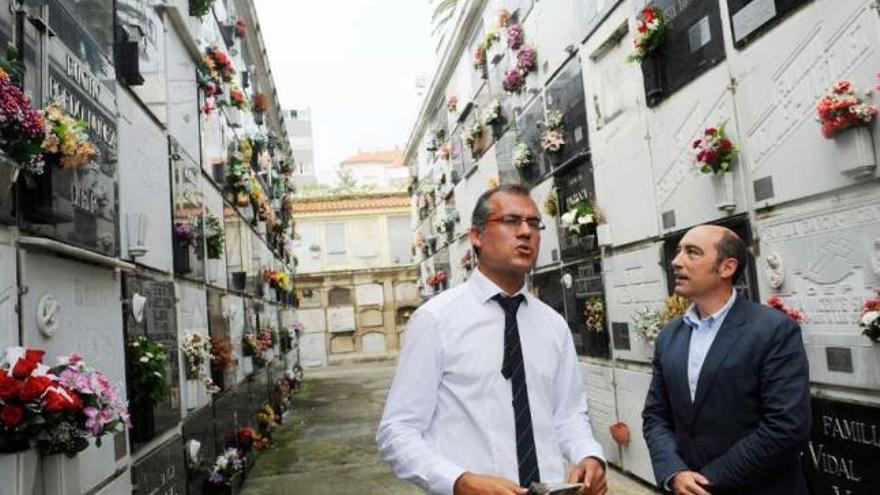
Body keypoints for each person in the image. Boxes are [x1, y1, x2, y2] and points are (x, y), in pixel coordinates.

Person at [377, 185, 607, 495]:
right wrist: (459, 481)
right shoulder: (436, 321)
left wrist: (588, 454)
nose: (526, 232)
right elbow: (398, 431)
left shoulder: (553, 326)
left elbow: (568, 415)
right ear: (476, 236)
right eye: (511, 221)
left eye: (534, 223)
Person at [642, 225, 811, 495]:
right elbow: (656, 415)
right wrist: (674, 472)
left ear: (727, 268)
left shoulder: (773, 330)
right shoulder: (669, 337)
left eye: (692, 253)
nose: (676, 261)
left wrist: (703, 481)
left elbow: (786, 426)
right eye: (678, 252)